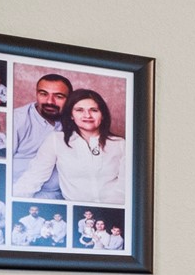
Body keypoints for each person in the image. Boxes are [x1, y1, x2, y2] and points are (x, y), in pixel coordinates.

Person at [17, 87, 127, 205]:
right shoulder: (56, 140)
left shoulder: (120, 144)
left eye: (94, 110)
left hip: (115, 209)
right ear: (71, 115)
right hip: (75, 211)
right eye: (79, 110)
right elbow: (34, 176)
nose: (87, 115)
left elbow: (126, 186)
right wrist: (13, 201)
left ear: (103, 115)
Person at [11, 72, 71, 200]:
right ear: (37, 94)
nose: (50, 101)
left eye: (59, 96)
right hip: (22, 194)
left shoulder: (75, 120)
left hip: (61, 195)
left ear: (70, 99)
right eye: (43, 94)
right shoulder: (17, 119)